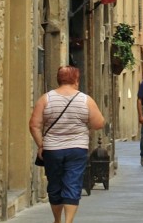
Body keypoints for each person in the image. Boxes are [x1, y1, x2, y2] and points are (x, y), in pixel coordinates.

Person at [29, 65, 105, 223]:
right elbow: (98, 123)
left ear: (59, 80)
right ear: (76, 80)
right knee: (73, 183)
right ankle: (68, 221)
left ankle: (57, 220)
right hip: (77, 149)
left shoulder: (46, 98)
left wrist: (41, 145)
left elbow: (34, 125)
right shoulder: (85, 100)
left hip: (52, 150)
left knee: (55, 184)